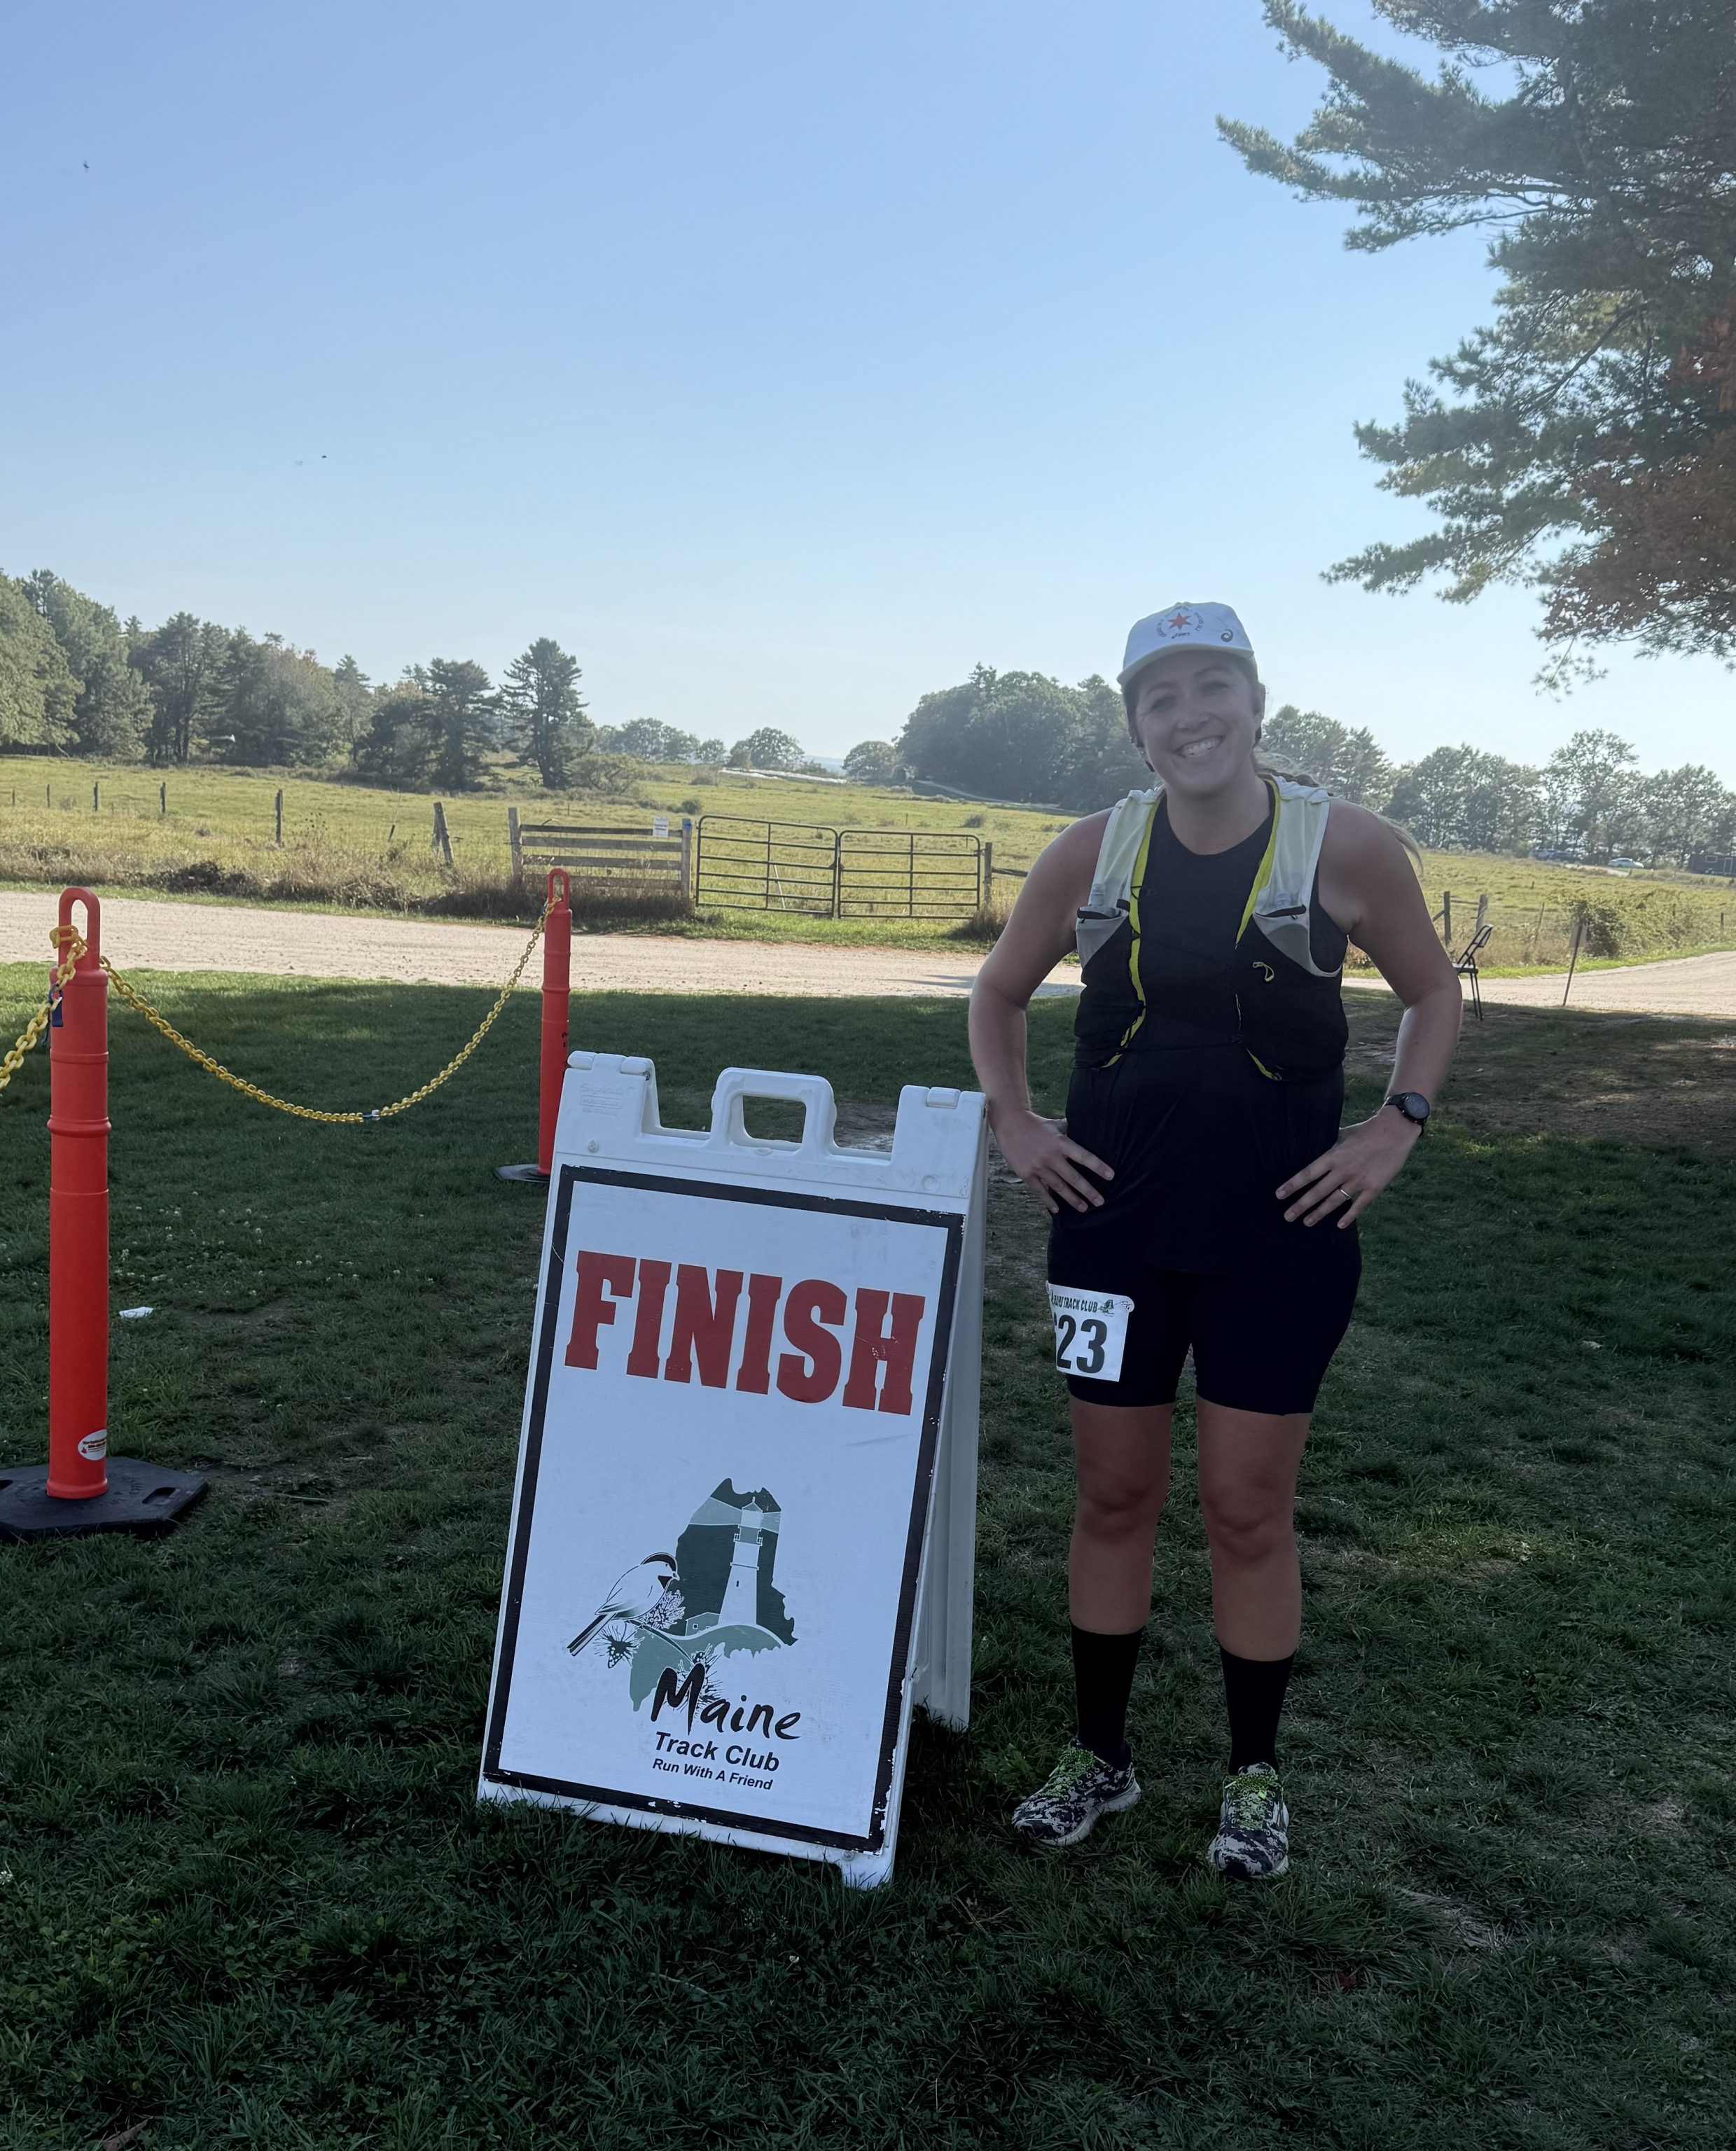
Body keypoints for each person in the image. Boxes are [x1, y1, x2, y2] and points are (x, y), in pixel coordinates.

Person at [968, 602, 1461, 1878]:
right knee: (1114, 1493)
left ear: (1255, 701)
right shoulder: (1091, 852)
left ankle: (1254, 1779)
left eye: (1212, 688)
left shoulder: (1345, 845)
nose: (1191, 717)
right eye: (1161, 697)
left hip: (1278, 1232)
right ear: (1134, 726)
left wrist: (1395, 1125)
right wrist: (1018, 1125)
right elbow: (998, 991)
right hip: (1111, 1228)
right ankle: (1102, 1757)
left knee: (1247, 1509)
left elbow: (1433, 991)